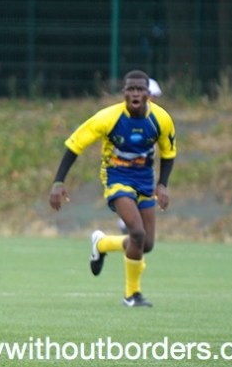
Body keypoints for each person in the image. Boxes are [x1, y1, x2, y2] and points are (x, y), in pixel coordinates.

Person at [49, 70, 177, 308]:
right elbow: (74, 145)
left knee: (146, 244)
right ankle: (132, 295)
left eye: (140, 89)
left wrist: (163, 184)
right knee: (137, 233)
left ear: (148, 94)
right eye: (131, 89)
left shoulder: (161, 119)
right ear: (124, 93)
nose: (135, 94)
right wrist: (58, 182)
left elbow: (168, 153)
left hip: (145, 180)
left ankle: (102, 244)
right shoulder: (108, 118)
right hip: (116, 178)